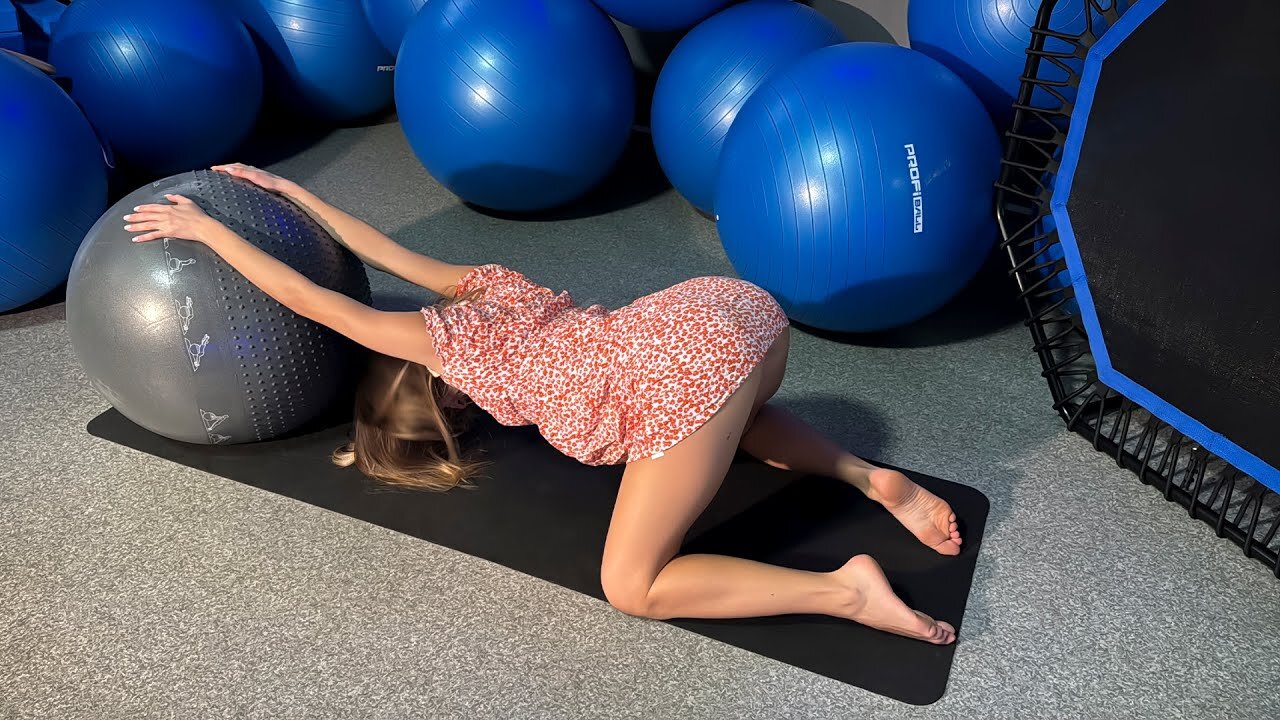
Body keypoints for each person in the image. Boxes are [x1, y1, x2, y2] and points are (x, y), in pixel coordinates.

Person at [122, 163, 963, 645]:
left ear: (438, 390)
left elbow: (323, 306)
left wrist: (209, 231)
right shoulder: (487, 287)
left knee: (633, 583)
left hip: (688, 369)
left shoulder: (451, 347)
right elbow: (380, 249)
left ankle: (845, 591)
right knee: (720, 421)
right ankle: (871, 478)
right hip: (735, 312)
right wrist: (284, 190)